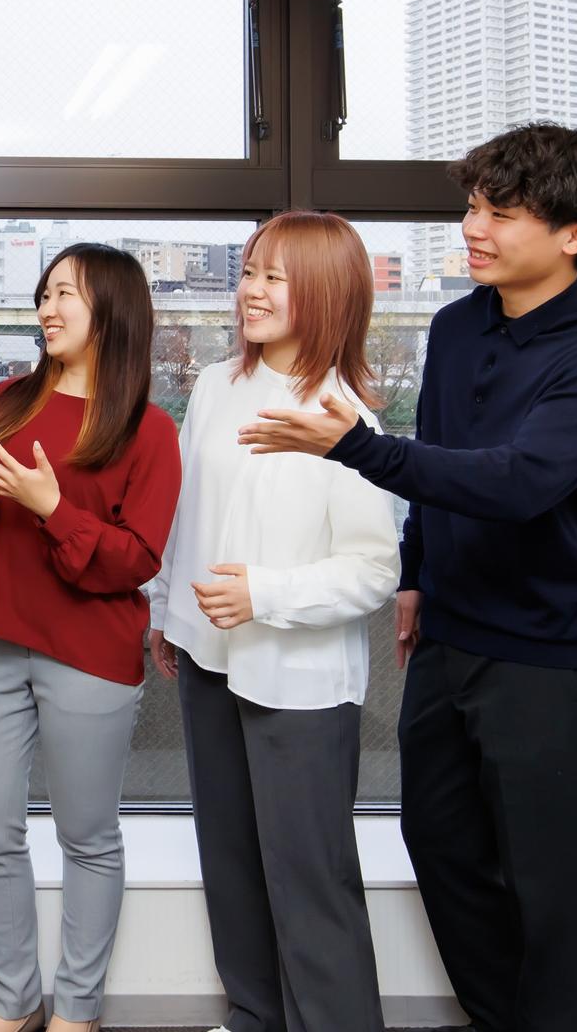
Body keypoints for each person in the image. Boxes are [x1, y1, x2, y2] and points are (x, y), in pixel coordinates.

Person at [240, 123, 577, 1032]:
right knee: (442, 845)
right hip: (451, 637)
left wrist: (357, 447)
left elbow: (516, 483)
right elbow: (444, 455)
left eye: (500, 213)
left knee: (559, 893)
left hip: (553, 660)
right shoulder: (459, 324)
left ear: (576, 235)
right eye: (472, 206)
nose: (473, 227)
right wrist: (417, 574)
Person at [146, 212, 399, 1032]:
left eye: (274, 278)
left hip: (299, 682)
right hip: (207, 661)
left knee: (308, 878)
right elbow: (188, 511)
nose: (250, 291)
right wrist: (167, 610)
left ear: (324, 293)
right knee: (231, 862)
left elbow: (375, 570)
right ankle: (254, 1016)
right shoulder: (216, 386)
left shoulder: (344, 416)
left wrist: (267, 594)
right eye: (249, 272)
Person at [0, 243, 182, 1032]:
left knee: (87, 837)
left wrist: (50, 508)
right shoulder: (10, 399)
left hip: (90, 654)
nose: (47, 308)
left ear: (111, 308)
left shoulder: (150, 431)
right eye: (44, 294)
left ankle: (77, 1010)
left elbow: (136, 559)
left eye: (65, 294)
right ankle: (13, 1004)